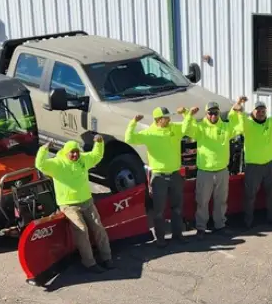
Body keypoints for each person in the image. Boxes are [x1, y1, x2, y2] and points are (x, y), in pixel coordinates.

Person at [35, 137, 112, 272]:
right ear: (66, 152)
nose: (75, 155)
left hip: (87, 201)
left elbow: (96, 155)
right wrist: (44, 149)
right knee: (82, 229)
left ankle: (107, 258)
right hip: (69, 205)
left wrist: (99, 143)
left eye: (76, 152)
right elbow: (40, 165)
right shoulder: (57, 164)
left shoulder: (83, 159)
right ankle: (89, 263)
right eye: (72, 152)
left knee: (98, 227)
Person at [124, 107, 193, 247]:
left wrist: (187, 113)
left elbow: (187, 127)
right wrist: (133, 122)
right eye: (165, 118)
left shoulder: (174, 128)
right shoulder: (149, 133)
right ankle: (160, 239)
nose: (168, 119)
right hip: (159, 177)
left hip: (175, 174)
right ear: (157, 120)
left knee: (177, 208)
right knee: (159, 211)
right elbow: (129, 138)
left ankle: (178, 234)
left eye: (168, 117)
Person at [230, 95, 272, 228]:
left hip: (269, 164)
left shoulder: (270, 122)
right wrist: (238, 104)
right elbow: (232, 118)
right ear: (253, 112)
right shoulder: (247, 123)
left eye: (263, 111)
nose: (261, 113)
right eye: (258, 111)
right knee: (250, 195)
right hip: (253, 166)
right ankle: (247, 222)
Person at [192, 101, 235, 235]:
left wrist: (238, 110)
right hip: (205, 172)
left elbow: (239, 126)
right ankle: (201, 227)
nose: (213, 115)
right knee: (202, 201)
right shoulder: (199, 128)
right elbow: (186, 130)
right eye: (210, 113)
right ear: (206, 114)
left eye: (215, 112)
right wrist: (189, 115)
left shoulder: (226, 127)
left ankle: (220, 225)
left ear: (219, 113)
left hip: (222, 170)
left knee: (221, 200)